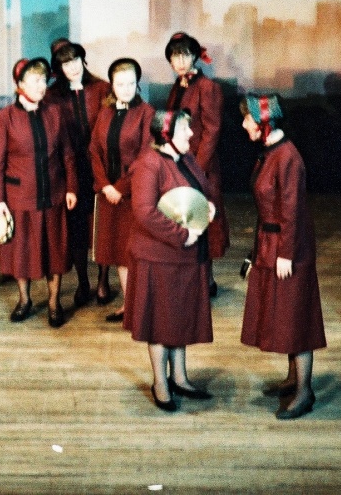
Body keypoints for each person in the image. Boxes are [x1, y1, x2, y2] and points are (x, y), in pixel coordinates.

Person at [239, 94, 326, 420]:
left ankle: (304, 392)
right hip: (271, 244)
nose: (243, 124)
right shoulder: (269, 153)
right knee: (284, 316)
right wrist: (256, 252)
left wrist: (286, 254)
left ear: (263, 122)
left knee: (296, 319)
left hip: (289, 249)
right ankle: (293, 379)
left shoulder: (287, 157)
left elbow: (292, 210)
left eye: (248, 118)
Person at [125, 109, 216, 412]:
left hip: (185, 256)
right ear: (166, 136)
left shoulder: (186, 158)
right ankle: (160, 383)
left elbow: (200, 192)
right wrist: (182, 235)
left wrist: (208, 207)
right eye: (184, 129)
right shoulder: (148, 164)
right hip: (159, 258)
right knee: (160, 321)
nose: (191, 134)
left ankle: (179, 377)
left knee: (179, 316)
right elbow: (144, 212)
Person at [0, 57, 78, 328]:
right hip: (20, 198)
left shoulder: (56, 113)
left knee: (55, 251)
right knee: (22, 252)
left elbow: (68, 154)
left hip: (54, 194)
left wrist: (71, 187)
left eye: (43, 80)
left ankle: (54, 303)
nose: (42, 86)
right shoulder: (2, 120)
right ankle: (24, 299)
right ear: (20, 85)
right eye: (35, 80)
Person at [47, 38, 110, 307]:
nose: (72, 67)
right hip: (70, 171)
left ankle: (103, 280)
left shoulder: (102, 88)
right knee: (77, 228)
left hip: (101, 166)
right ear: (58, 69)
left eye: (74, 61)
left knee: (103, 223)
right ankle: (83, 281)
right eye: (65, 64)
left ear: (83, 60)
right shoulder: (52, 96)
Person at [89, 58, 154, 323]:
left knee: (136, 251)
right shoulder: (105, 112)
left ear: (137, 84)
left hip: (134, 193)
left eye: (130, 83)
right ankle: (128, 306)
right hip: (108, 194)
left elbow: (145, 155)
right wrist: (105, 185)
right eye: (120, 84)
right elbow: (94, 150)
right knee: (117, 251)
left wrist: (120, 188)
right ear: (112, 86)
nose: (126, 89)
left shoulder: (146, 113)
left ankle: (143, 308)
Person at [164, 32, 229, 295]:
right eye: (175, 56)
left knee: (204, 220)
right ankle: (190, 278)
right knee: (184, 219)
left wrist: (197, 170)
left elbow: (212, 131)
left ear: (194, 57)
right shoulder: (178, 86)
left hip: (202, 167)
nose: (180, 61)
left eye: (185, 55)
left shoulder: (207, 87)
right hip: (180, 164)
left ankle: (207, 281)